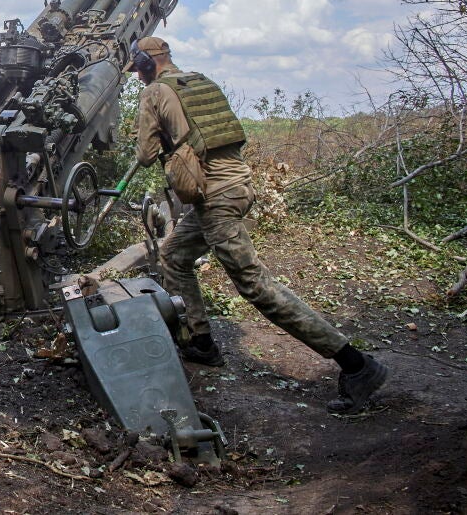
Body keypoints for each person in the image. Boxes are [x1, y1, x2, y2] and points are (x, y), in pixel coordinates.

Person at [131, 36, 388, 414]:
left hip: (215, 197)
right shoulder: (199, 83)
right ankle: (200, 342)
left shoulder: (154, 93)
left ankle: (356, 364)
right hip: (237, 186)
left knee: (255, 285)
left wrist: (154, 138)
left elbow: (145, 153)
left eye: (137, 69)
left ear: (145, 63)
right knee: (174, 255)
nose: (137, 76)